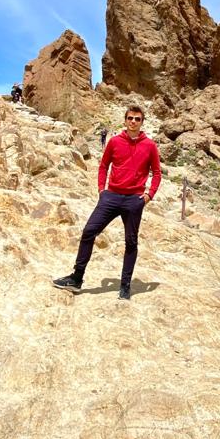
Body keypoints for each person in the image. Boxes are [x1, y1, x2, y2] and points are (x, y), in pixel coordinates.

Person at [53, 106, 161, 300]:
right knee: (88, 232)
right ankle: (77, 278)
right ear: (125, 120)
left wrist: (148, 196)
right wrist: (102, 191)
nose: (133, 122)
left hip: (134, 201)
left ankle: (125, 285)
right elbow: (104, 166)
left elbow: (157, 173)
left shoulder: (150, 145)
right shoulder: (114, 141)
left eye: (137, 119)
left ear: (142, 122)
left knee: (131, 241)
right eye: (130, 118)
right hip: (111, 197)